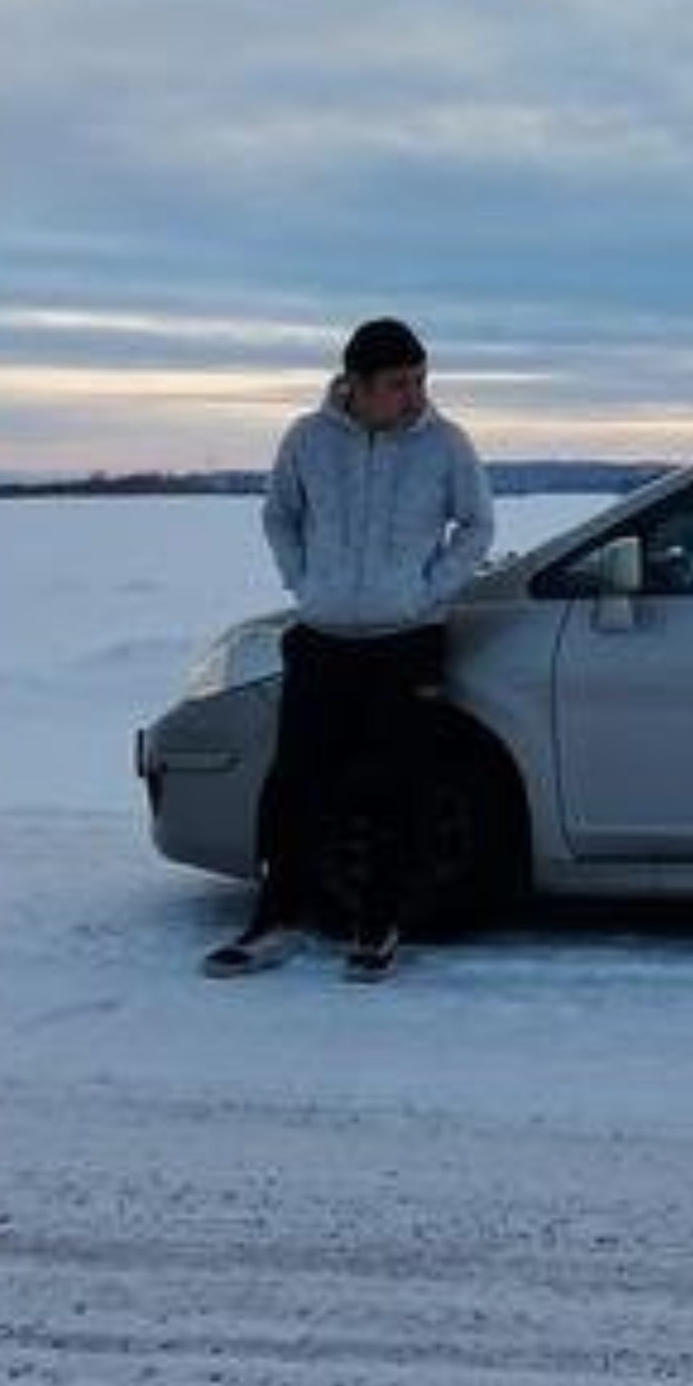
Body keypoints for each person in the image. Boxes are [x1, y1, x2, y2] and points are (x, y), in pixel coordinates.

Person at [202, 317, 495, 984]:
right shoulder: (308, 439)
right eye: (399, 384)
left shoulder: (445, 444)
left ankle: (378, 923)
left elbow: (477, 525)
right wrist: (305, 583)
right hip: (323, 639)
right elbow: (279, 514)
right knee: (294, 785)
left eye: (421, 381)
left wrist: (427, 593)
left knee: (399, 786)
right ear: (355, 385)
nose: (414, 396)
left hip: (405, 643)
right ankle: (276, 919)